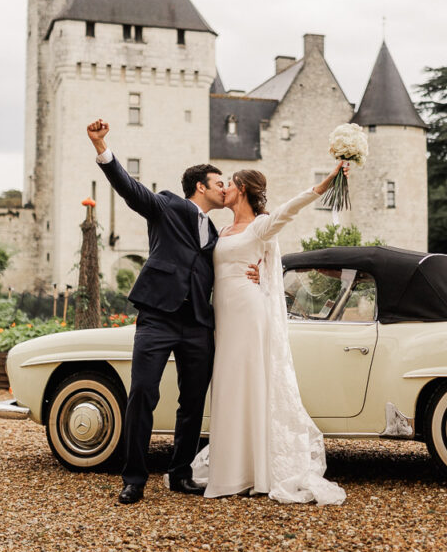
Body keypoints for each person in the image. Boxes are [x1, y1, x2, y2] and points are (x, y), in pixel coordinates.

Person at [87, 119, 258, 505]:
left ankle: (180, 474)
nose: (224, 188)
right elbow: (130, 190)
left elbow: (226, 267)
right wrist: (102, 148)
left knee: (193, 402)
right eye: (219, 183)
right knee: (142, 394)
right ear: (201, 186)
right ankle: (133, 479)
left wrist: (253, 269)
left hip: (198, 322)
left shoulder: (216, 234)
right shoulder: (166, 205)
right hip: (158, 317)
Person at [190, 167, 348, 505]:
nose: (224, 189)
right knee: (229, 385)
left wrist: (323, 184)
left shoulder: (261, 225)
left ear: (242, 188)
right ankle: (230, 470)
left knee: (251, 383)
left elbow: (290, 208)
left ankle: (257, 472)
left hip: (249, 313)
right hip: (224, 316)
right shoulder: (222, 229)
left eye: (229, 184)